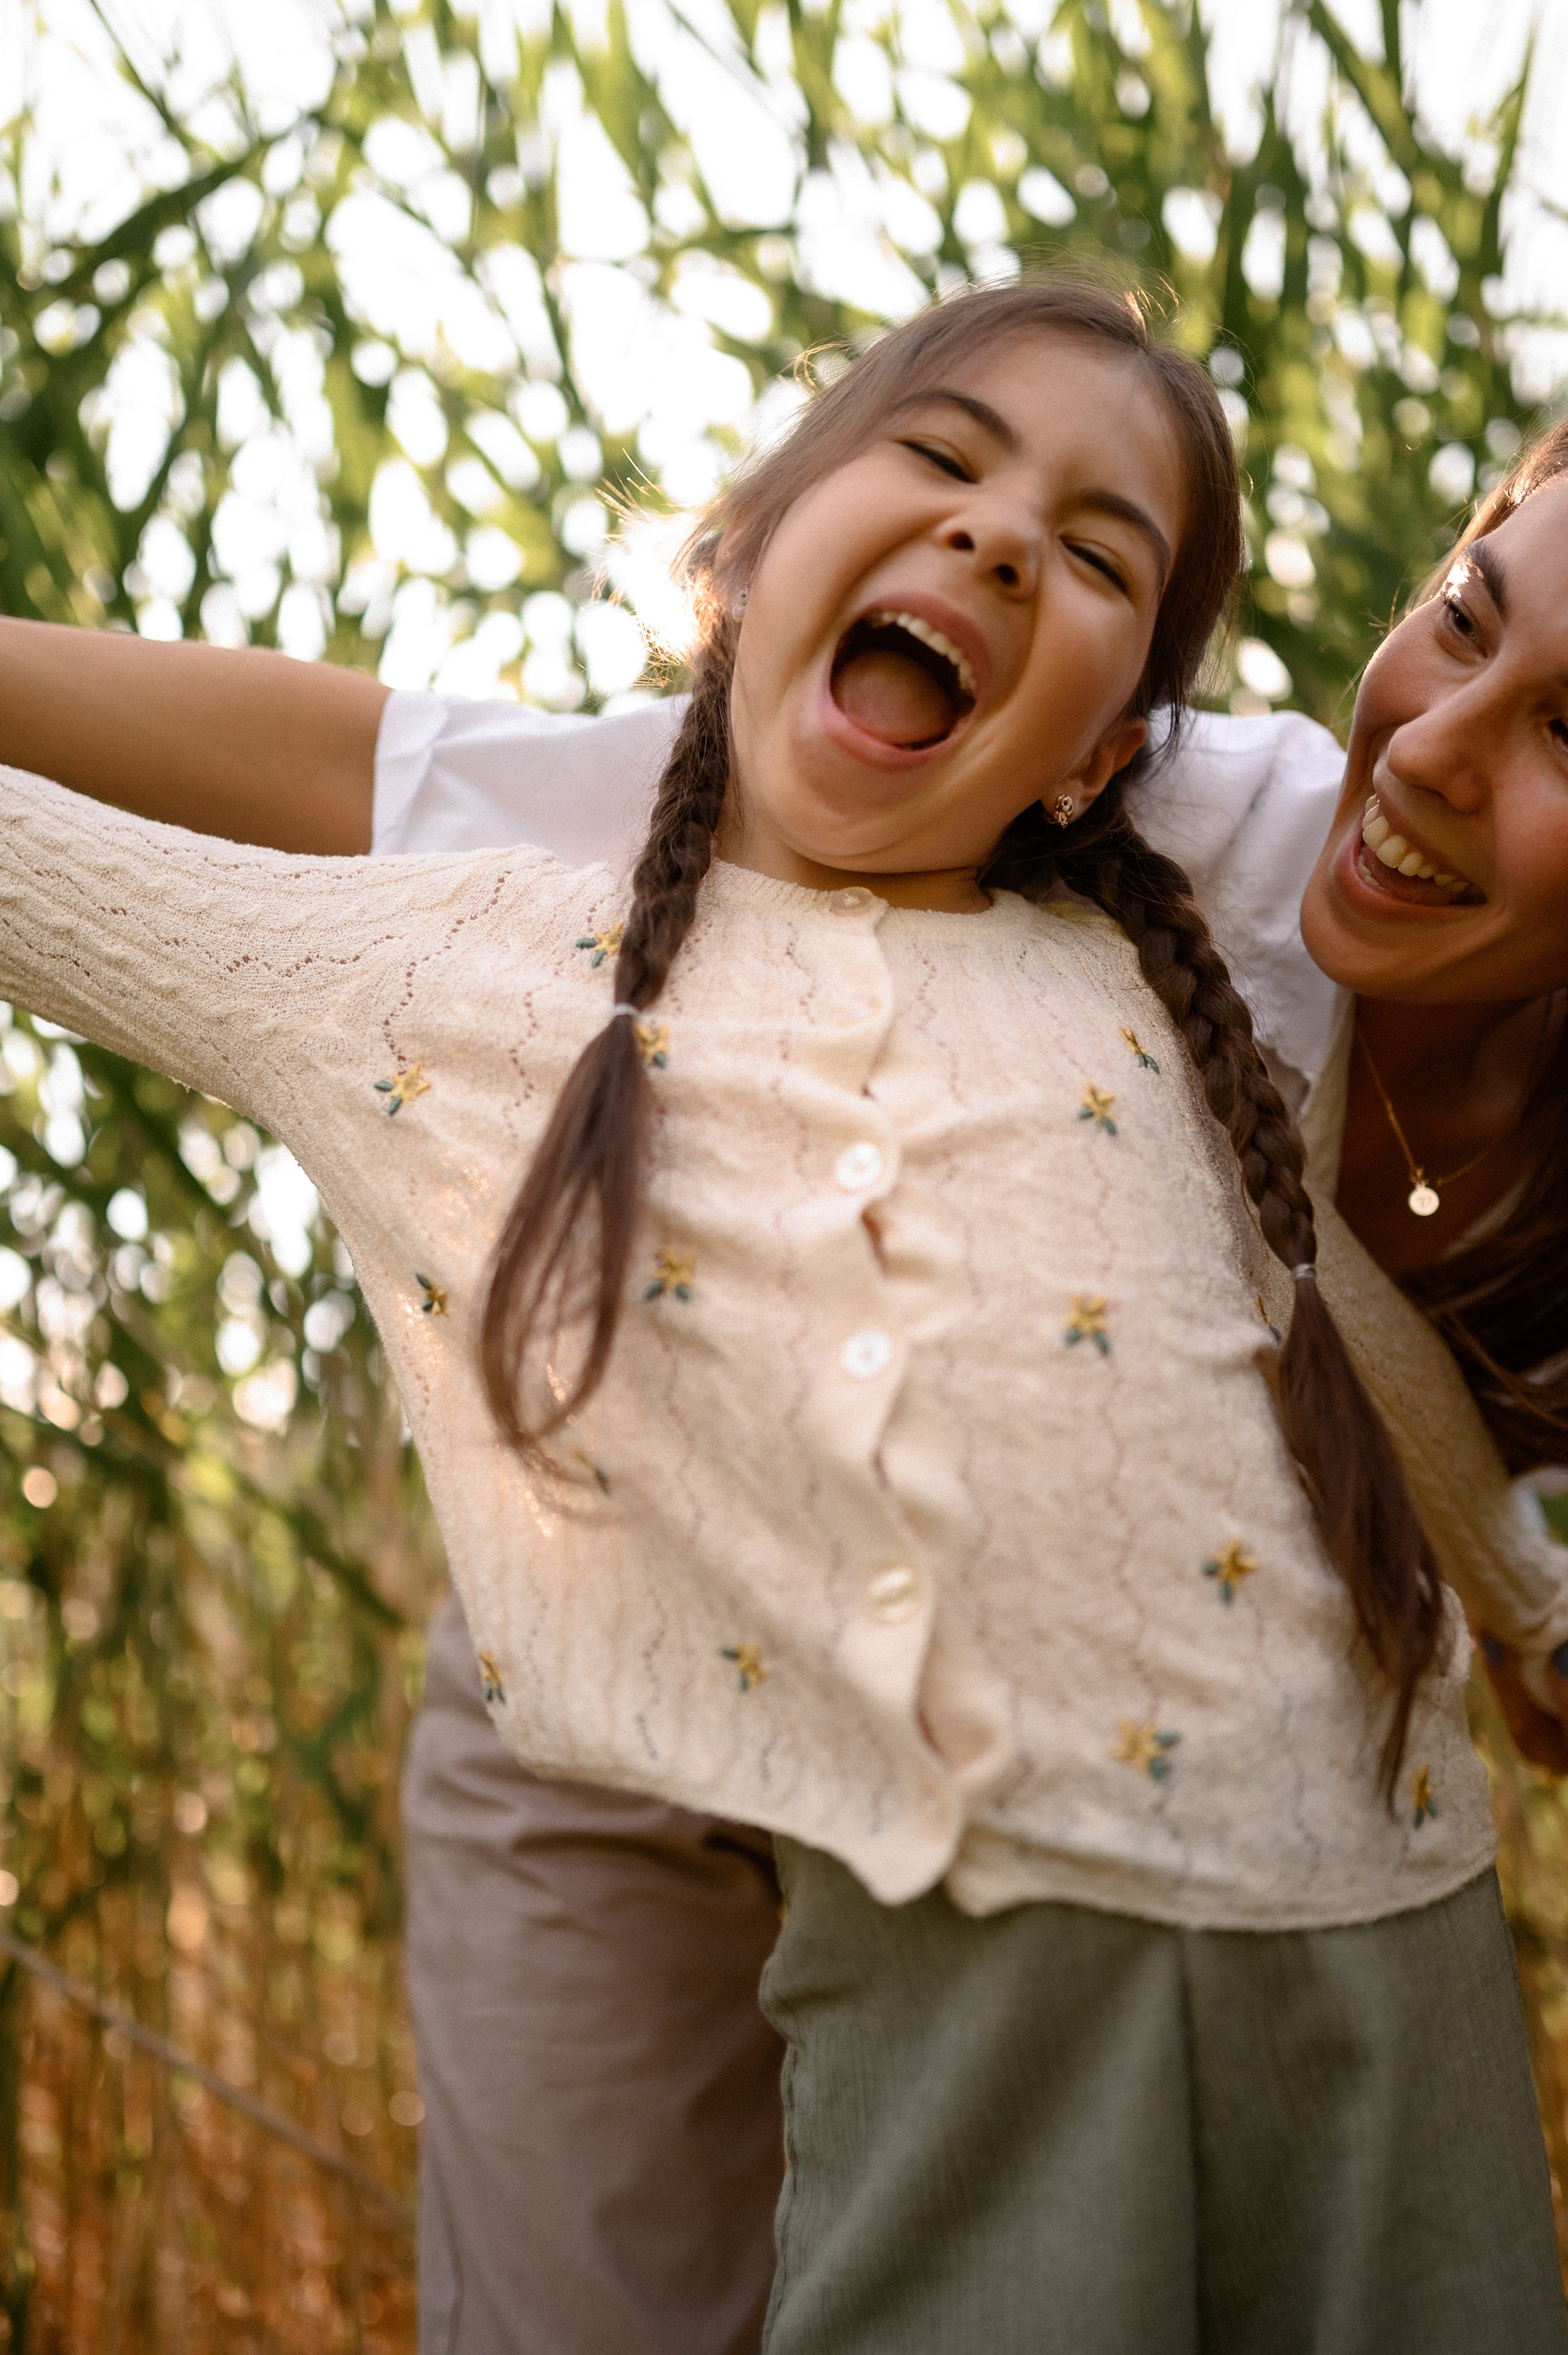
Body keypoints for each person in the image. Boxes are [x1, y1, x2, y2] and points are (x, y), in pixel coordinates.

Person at [0, 279, 1564, 2349]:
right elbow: (373, 771)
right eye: (1468, 613)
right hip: (624, 1661)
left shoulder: (1129, 940)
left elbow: (1328, 1315)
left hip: (1082, 1812)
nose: (1437, 748)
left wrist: (1524, 1605)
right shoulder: (1184, 826)